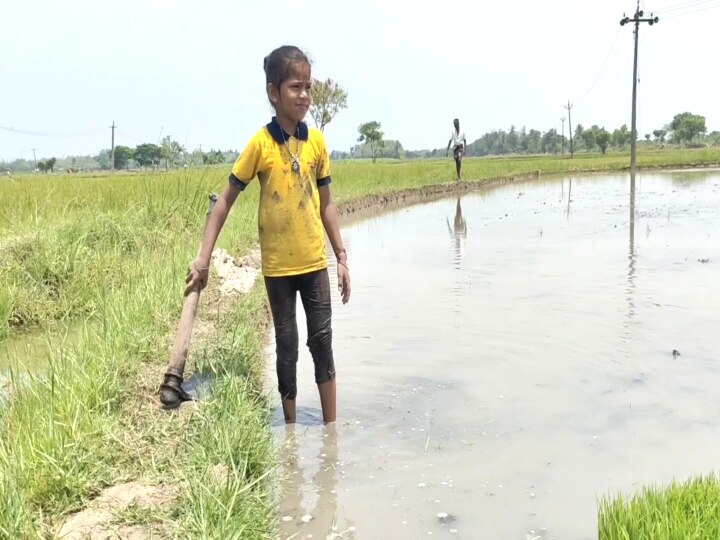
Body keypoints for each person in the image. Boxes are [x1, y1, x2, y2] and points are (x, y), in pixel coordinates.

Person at [184, 45, 351, 425]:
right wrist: (203, 258)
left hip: (313, 263)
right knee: (287, 346)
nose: (305, 95)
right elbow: (224, 201)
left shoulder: (317, 143)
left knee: (322, 343)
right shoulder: (260, 145)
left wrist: (340, 257)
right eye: (296, 87)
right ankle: (290, 426)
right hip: (277, 268)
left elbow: (326, 205)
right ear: (273, 93)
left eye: (308, 87)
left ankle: (331, 430)